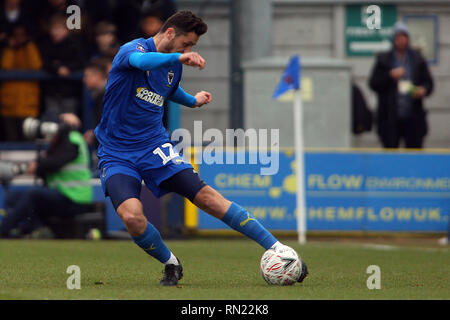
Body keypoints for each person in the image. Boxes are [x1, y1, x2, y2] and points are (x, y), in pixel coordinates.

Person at [95, 10, 309, 286]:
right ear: (170, 33)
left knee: (207, 197)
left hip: (154, 147)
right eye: (187, 44)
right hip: (117, 153)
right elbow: (141, 61)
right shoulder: (132, 50)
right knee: (132, 217)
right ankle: (171, 263)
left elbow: (170, 91)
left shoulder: (174, 66)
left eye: (191, 48)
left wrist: (192, 100)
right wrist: (178, 56)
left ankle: (279, 249)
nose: (189, 50)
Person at [0, 113, 93, 238]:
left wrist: (39, 165)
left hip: (75, 199)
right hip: (62, 195)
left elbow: (57, 161)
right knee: (13, 196)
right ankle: (31, 229)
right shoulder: (61, 142)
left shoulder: (72, 139)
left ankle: (4, 229)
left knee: (33, 195)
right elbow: (49, 163)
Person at [369, 22, 434, 148]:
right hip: (390, 117)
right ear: (393, 40)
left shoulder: (417, 59)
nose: (401, 41)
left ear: (408, 39)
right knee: (391, 154)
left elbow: (429, 83)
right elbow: (373, 83)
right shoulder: (384, 59)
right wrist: (389, 76)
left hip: (413, 116)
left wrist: (423, 90)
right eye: (398, 38)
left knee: (414, 154)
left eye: (403, 37)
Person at [0, 23, 42, 141]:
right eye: (16, 35)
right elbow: (5, 66)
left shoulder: (30, 48)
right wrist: (11, 48)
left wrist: (27, 45)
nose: (19, 38)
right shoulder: (8, 50)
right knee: (11, 139)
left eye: (22, 35)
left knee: (28, 139)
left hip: (28, 104)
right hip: (9, 104)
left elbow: (36, 65)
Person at [39, 14, 85, 120]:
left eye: (58, 29)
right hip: (51, 91)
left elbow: (81, 62)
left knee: (70, 124)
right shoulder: (46, 44)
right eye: (53, 29)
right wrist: (57, 68)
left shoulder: (75, 44)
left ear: (66, 30)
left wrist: (67, 67)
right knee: (51, 124)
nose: (54, 32)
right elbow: (43, 62)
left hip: (69, 92)